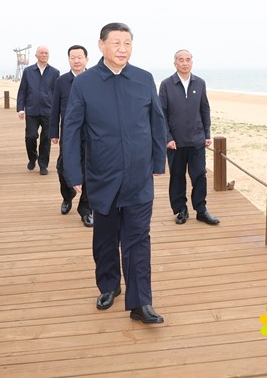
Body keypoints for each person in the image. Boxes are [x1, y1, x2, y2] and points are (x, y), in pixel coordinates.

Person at [62, 23, 167, 324]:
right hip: (102, 175)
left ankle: (141, 303)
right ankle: (108, 286)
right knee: (105, 237)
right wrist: (74, 174)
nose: (123, 48)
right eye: (116, 42)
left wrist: (157, 163)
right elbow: (71, 130)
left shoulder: (144, 79)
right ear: (101, 45)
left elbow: (156, 122)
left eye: (127, 43)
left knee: (138, 239)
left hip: (138, 177)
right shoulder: (85, 83)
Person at [158, 50, 220, 226]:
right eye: (181, 60)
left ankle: (201, 210)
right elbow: (161, 114)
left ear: (192, 62)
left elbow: (204, 109)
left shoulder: (199, 83)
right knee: (177, 177)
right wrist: (167, 137)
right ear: (175, 63)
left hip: (197, 140)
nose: (184, 63)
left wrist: (207, 134)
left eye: (187, 60)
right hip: (175, 142)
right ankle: (181, 210)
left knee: (199, 175)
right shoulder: (166, 84)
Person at [49, 45, 93, 227]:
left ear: (86, 59)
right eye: (73, 57)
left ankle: (86, 210)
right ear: (68, 60)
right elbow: (54, 108)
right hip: (69, 133)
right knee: (63, 167)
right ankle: (67, 196)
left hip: (92, 133)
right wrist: (54, 132)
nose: (76, 61)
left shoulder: (94, 79)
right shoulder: (61, 82)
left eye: (79, 57)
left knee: (90, 170)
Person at [17, 46, 60, 175]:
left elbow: (57, 93)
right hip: (32, 110)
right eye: (41, 53)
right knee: (30, 137)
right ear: (36, 55)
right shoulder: (28, 71)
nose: (44, 55)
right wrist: (20, 109)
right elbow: (22, 90)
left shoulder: (55, 72)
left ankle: (43, 165)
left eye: (46, 53)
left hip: (48, 111)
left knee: (46, 140)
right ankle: (32, 158)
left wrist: (57, 110)